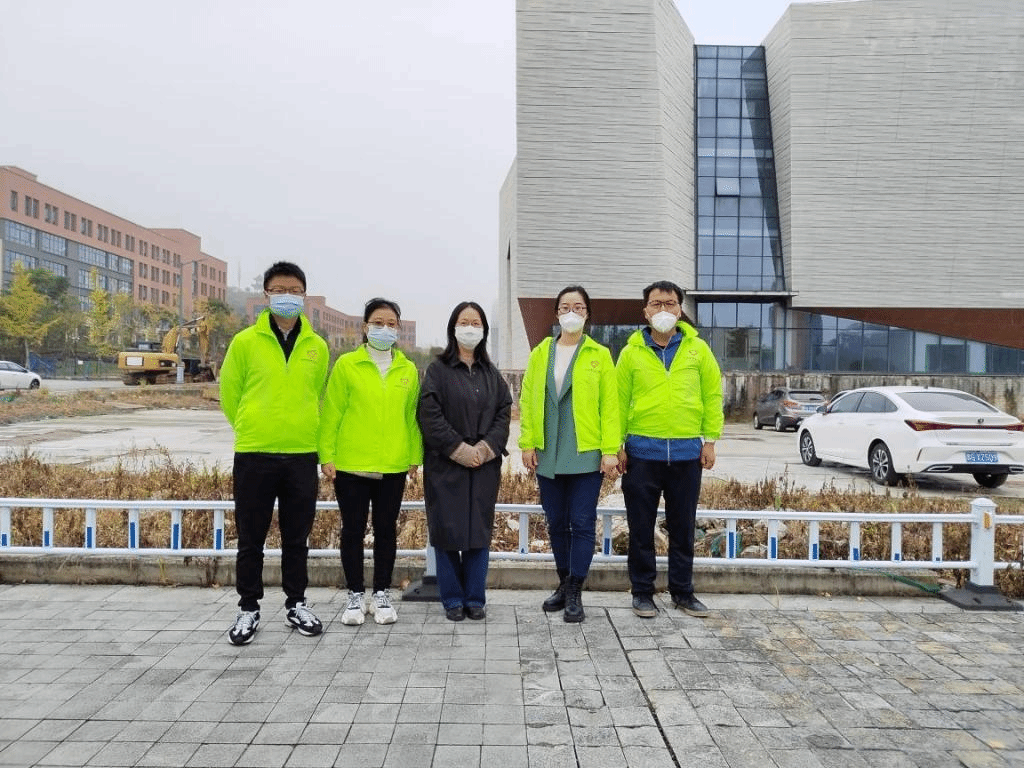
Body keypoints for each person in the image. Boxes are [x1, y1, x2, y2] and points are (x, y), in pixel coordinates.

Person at [219, 261, 329, 645]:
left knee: (297, 538)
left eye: (295, 291)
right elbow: (230, 395)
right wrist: (252, 426)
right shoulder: (245, 342)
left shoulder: (317, 347)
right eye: (279, 290)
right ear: (266, 294)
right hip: (255, 453)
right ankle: (248, 608)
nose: (287, 297)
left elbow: (316, 396)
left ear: (304, 295)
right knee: (251, 537)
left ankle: (296, 604)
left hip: (301, 453)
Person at [616, 280, 723, 619]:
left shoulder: (698, 350)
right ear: (645, 311)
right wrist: (616, 445)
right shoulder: (631, 353)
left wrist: (710, 440)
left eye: (670, 303)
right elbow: (617, 402)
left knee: (682, 528)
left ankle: (683, 592)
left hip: (686, 455)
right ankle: (642, 592)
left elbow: (712, 395)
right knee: (641, 528)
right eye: (656, 304)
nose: (663, 309)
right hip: (641, 454)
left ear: (680, 310)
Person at [519, 286, 619, 623]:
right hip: (548, 451)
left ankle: (576, 588)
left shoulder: (599, 354)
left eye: (578, 307)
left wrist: (609, 450)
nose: (571, 312)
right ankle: (563, 583)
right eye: (565, 307)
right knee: (557, 522)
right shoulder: (540, 353)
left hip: (585, 452)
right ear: (556, 313)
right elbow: (528, 399)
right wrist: (527, 443)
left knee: (581, 521)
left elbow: (610, 406)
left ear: (587, 314)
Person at [319, 298, 421, 626]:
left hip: (393, 464)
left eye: (391, 324)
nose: (384, 329)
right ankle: (354, 596)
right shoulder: (347, 365)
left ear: (398, 329)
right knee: (352, 530)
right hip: (351, 464)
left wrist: (415, 457)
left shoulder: (407, 369)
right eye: (378, 323)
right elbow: (332, 411)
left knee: (386, 531)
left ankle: (381, 594)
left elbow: (411, 417)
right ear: (365, 327)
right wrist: (326, 455)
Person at [417, 302, 512, 622]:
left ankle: (475, 598)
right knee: (447, 532)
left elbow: (503, 413)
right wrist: (459, 450)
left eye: (476, 323)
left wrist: (483, 450)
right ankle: (452, 599)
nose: (470, 328)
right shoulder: (438, 371)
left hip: (483, 467)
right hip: (446, 466)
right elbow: (430, 415)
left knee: (477, 533)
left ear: (483, 330)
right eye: (464, 322)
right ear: (453, 328)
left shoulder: (491, 374)